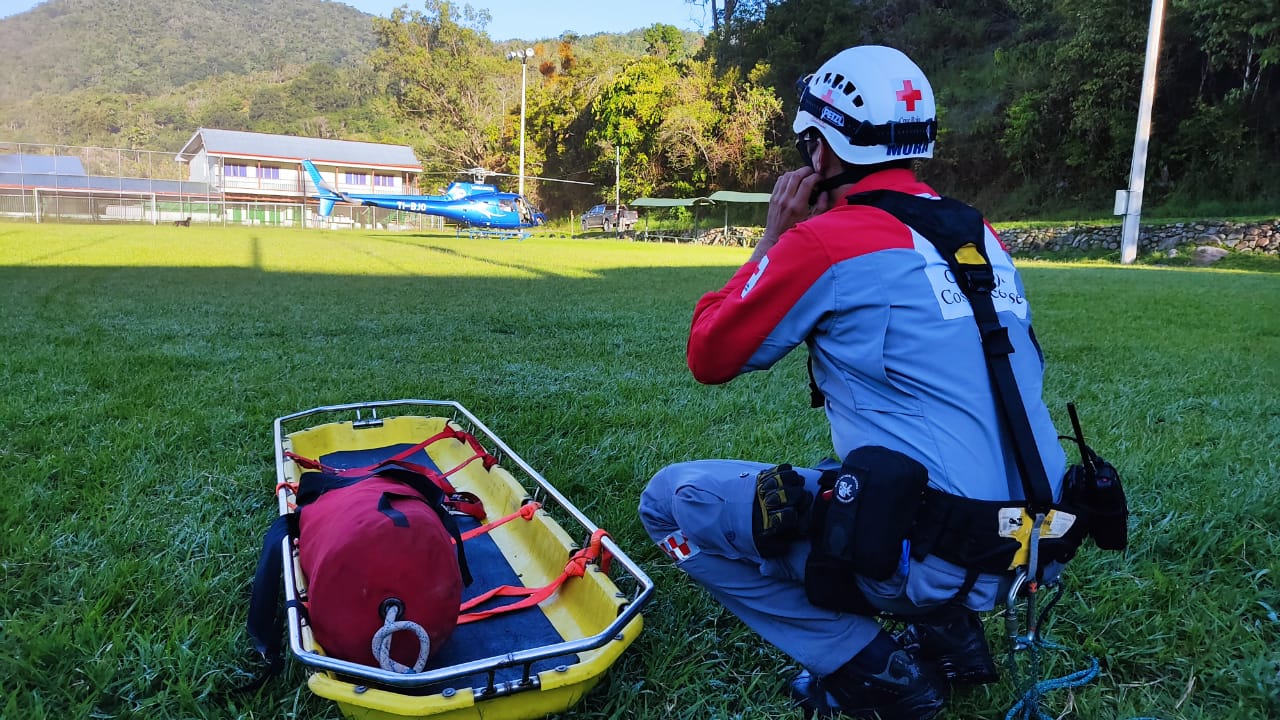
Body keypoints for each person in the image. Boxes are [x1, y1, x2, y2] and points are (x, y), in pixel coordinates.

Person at [638, 45, 1069, 720]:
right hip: (1035, 542)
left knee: (668, 502)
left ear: (820, 149)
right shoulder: (977, 230)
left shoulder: (828, 242)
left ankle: (874, 671)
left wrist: (774, 238)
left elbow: (711, 354)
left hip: (939, 555)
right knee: (853, 472)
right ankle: (950, 634)